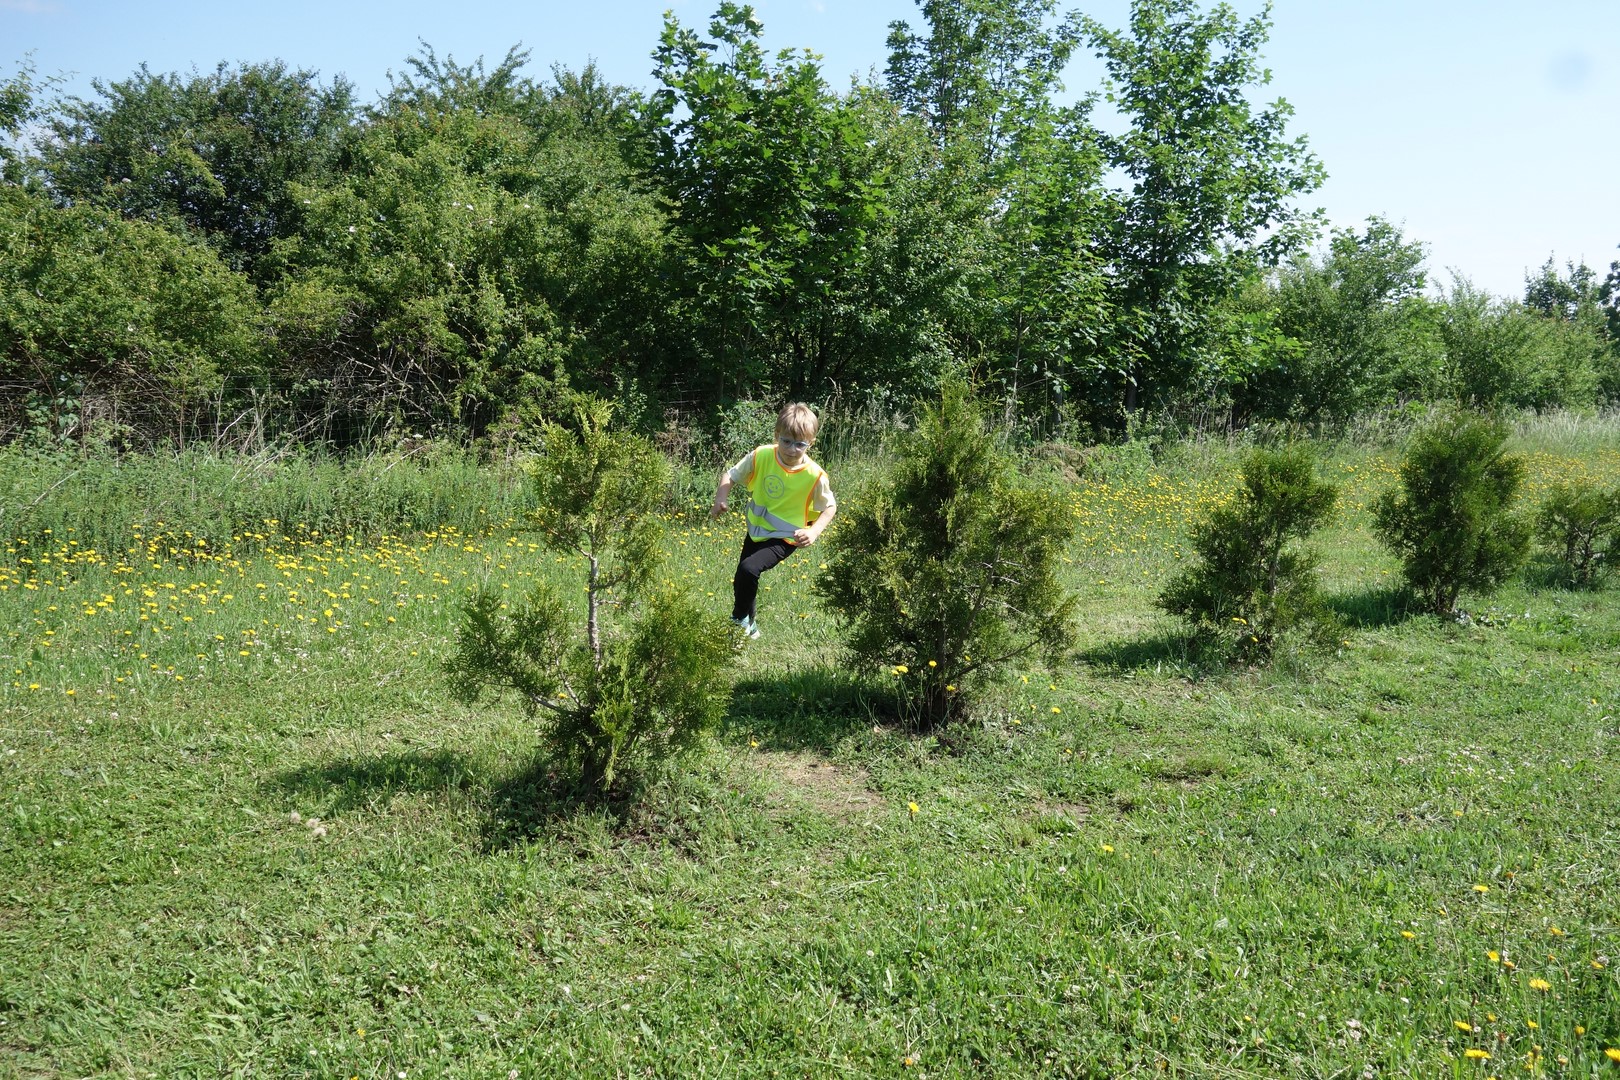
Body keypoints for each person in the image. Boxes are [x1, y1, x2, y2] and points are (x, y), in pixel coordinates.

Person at [709, 403, 836, 639]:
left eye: (800, 444)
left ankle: (738, 620)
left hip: (786, 537)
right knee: (743, 578)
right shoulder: (762, 455)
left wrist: (814, 532)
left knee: (749, 569)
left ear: (811, 443)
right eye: (786, 441)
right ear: (777, 435)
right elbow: (730, 475)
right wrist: (720, 498)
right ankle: (751, 626)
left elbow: (830, 506)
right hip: (757, 530)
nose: (791, 449)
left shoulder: (815, 475)